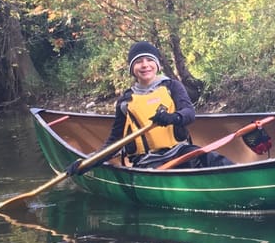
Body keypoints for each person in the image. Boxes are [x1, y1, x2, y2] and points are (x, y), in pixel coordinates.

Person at [96, 41, 233, 169]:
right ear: (132, 69)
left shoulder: (172, 86)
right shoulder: (125, 101)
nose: (145, 65)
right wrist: (93, 159)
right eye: (138, 62)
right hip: (146, 160)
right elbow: (115, 140)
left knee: (209, 157)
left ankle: (236, 172)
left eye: (150, 60)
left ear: (158, 65)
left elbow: (189, 113)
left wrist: (173, 118)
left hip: (179, 151)